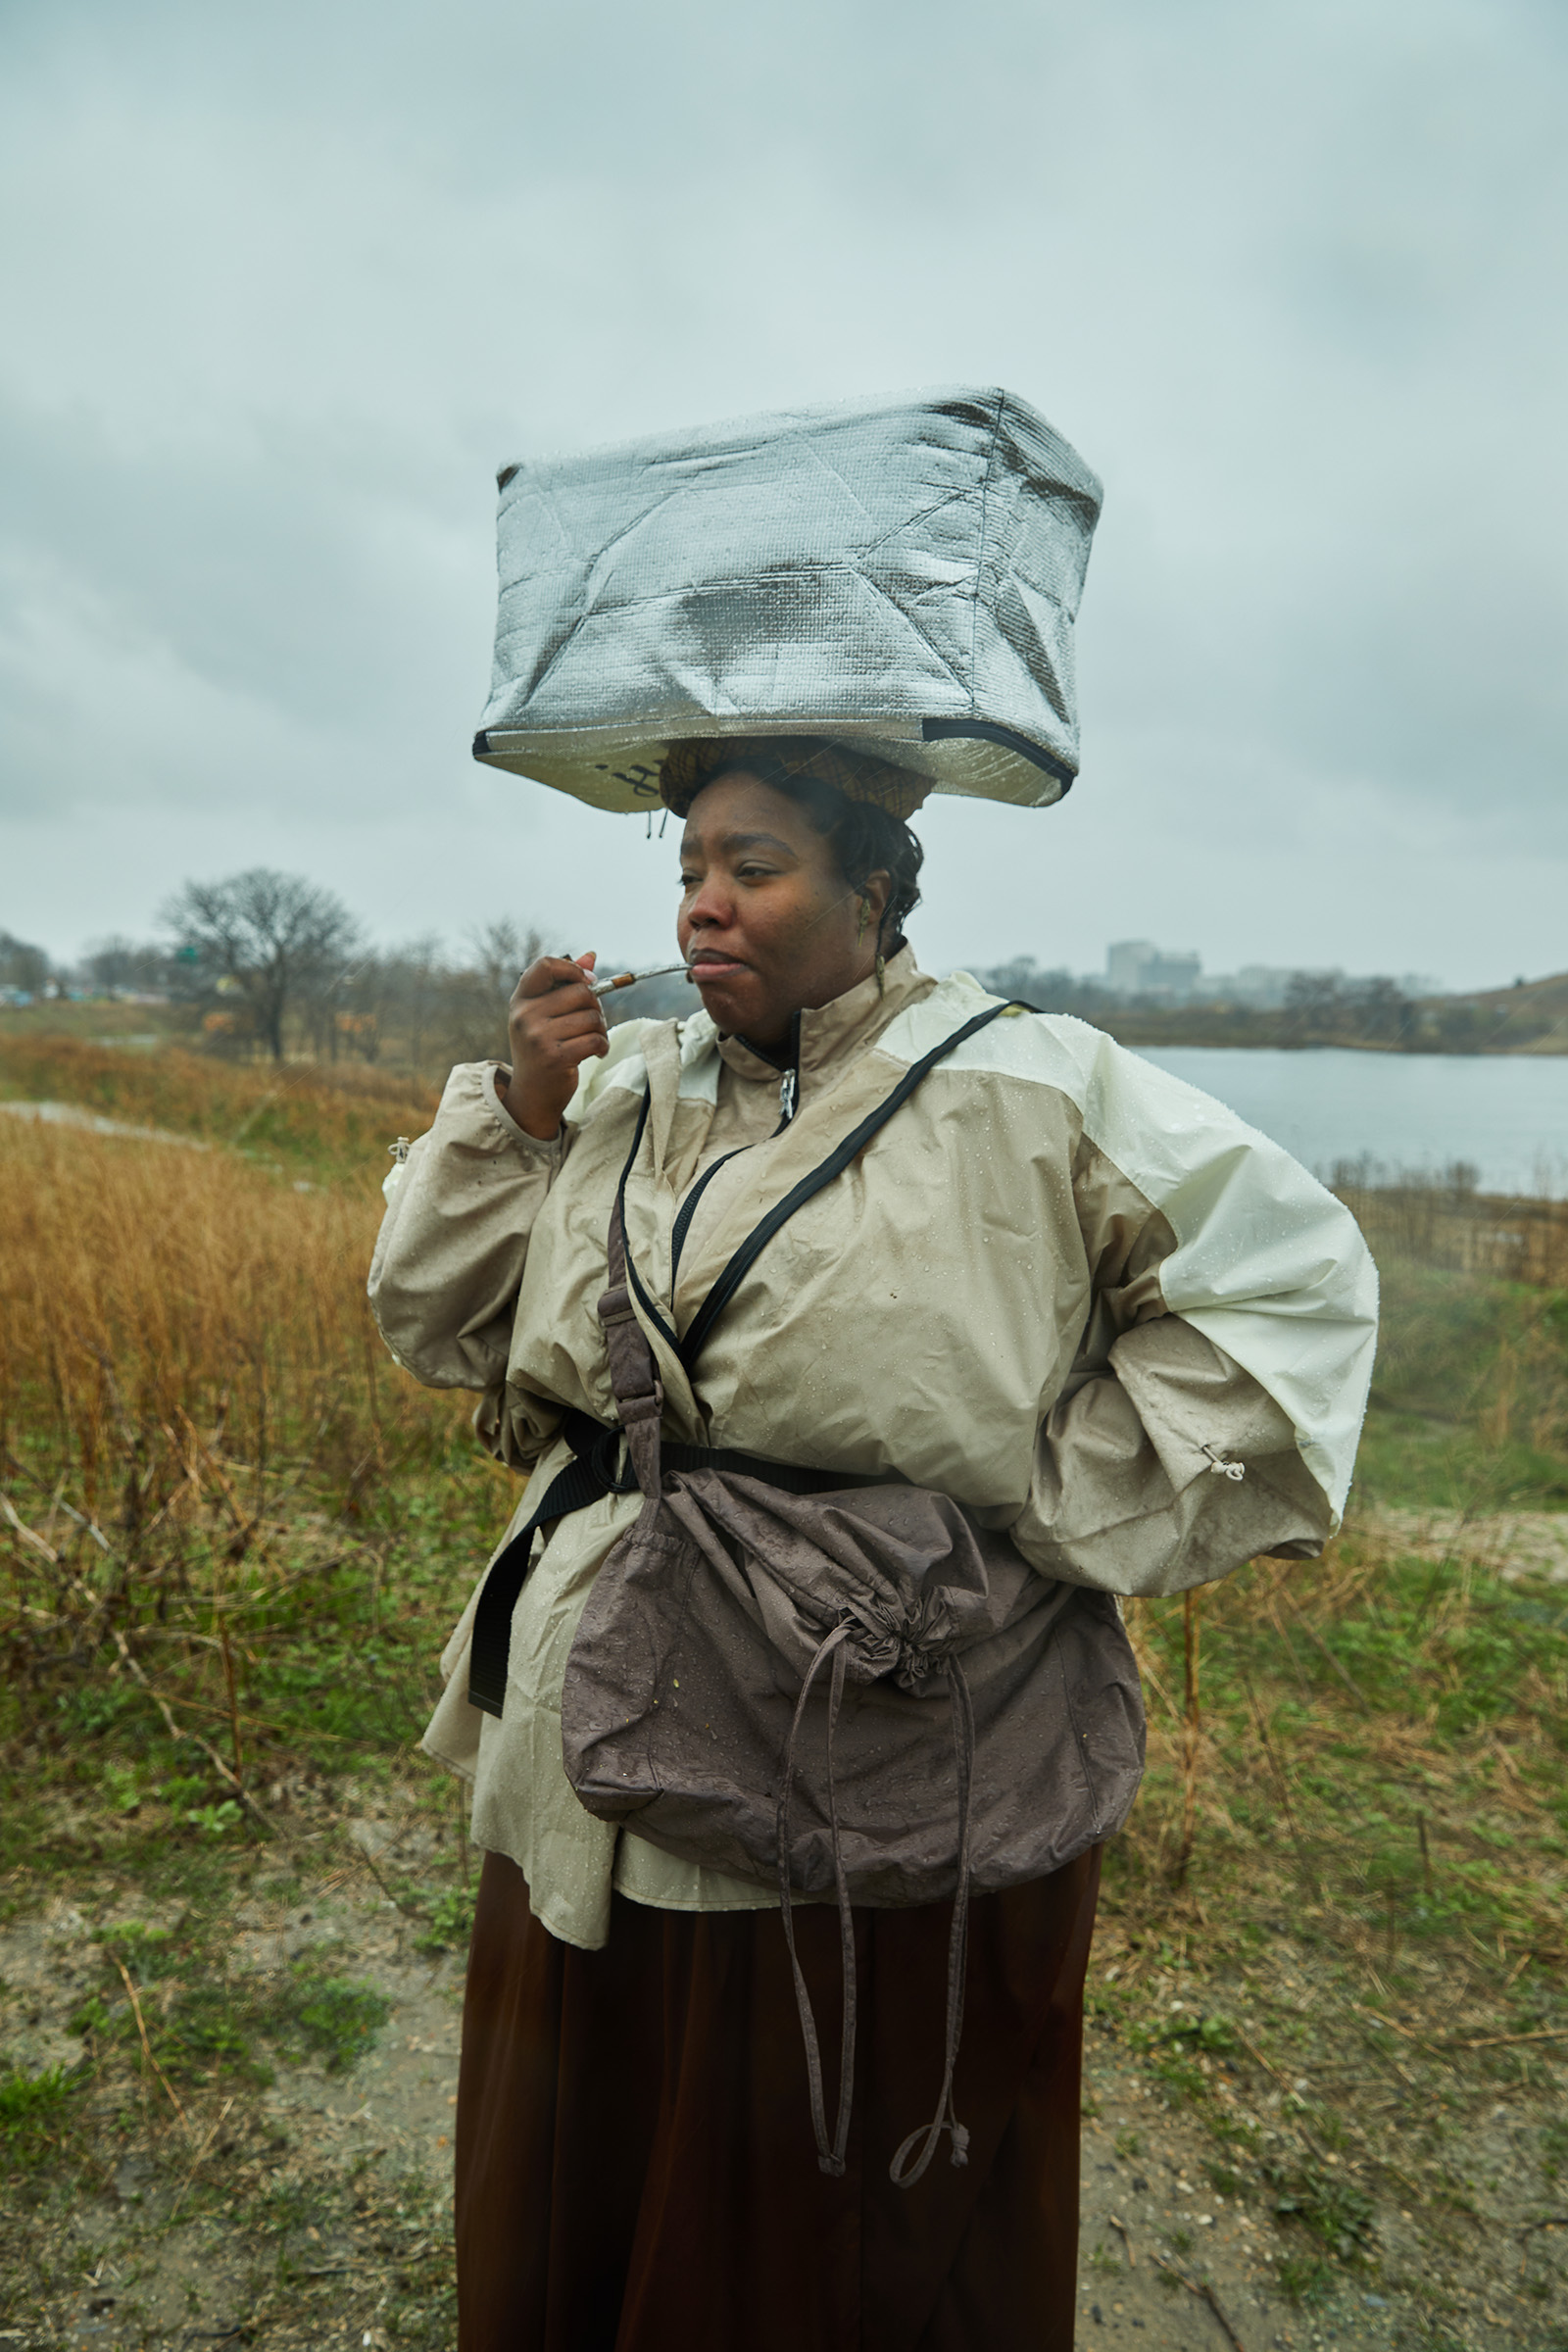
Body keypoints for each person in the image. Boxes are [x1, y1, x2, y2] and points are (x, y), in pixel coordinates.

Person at [368, 737, 1376, 2352]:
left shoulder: (1033, 1087)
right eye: (688, 867)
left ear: (877, 887)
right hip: (585, 1721)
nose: (705, 905)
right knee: (581, 2145)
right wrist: (524, 1114)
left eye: (753, 868)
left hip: (870, 1724)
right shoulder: (627, 1091)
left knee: (810, 2203)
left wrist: (1050, 1503)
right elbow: (446, 1325)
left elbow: (1293, 1293)